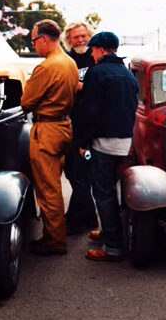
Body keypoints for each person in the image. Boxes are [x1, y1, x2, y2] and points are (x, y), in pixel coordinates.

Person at [76, 32, 139, 262]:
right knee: (114, 192)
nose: (91, 54)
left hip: (103, 142)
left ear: (101, 49)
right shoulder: (127, 73)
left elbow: (90, 111)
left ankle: (112, 246)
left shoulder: (98, 72)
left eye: (92, 50)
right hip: (124, 142)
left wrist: (83, 143)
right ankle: (108, 233)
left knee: (103, 193)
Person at [21, 19, 79, 255]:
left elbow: (26, 102)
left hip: (46, 130)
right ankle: (54, 236)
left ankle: (54, 241)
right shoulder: (70, 62)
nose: (34, 46)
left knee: (48, 189)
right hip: (64, 126)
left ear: (44, 39)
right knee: (53, 182)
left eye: (34, 41)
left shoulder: (46, 66)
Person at [60, 22, 98, 234]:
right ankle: (90, 216)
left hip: (90, 124)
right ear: (69, 39)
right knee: (72, 173)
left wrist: (80, 86)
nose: (81, 40)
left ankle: (74, 219)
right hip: (69, 121)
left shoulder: (94, 56)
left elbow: (98, 85)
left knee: (80, 172)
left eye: (84, 36)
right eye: (76, 37)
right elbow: (64, 84)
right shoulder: (67, 59)